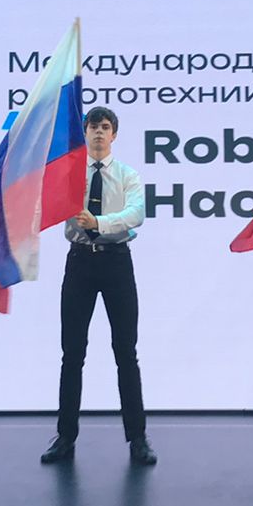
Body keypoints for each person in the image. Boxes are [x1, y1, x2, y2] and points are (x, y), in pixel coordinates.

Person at [40, 106, 155, 466]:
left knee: (126, 352)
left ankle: (137, 438)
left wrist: (99, 223)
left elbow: (136, 213)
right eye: (93, 127)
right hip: (79, 263)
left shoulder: (127, 175)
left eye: (106, 127)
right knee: (72, 353)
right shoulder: (69, 176)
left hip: (116, 262)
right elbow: (48, 205)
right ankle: (65, 437)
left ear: (114, 134)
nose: (99, 133)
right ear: (85, 133)